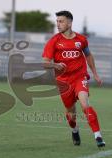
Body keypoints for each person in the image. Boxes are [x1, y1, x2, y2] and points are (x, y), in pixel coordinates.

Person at [42, 10, 105, 148]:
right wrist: (55, 64)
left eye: (61, 21)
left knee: (85, 104)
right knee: (71, 113)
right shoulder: (54, 41)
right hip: (63, 82)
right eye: (57, 21)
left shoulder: (81, 40)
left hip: (79, 77)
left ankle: (98, 136)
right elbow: (44, 62)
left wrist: (95, 74)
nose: (58, 24)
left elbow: (88, 56)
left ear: (69, 23)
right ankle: (74, 130)